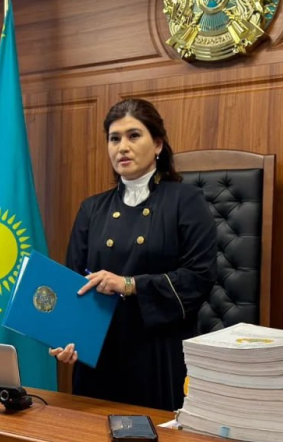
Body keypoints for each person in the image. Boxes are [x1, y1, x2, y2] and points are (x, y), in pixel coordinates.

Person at [49, 98, 218, 411]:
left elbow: (200, 278)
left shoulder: (186, 200)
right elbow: (72, 284)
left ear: (158, 144)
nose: (122, 147)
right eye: (114, 138)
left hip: (157, 354)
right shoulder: (91, 209)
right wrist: (66, 338)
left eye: (133, 136)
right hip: (98, 355)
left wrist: (128, 284)